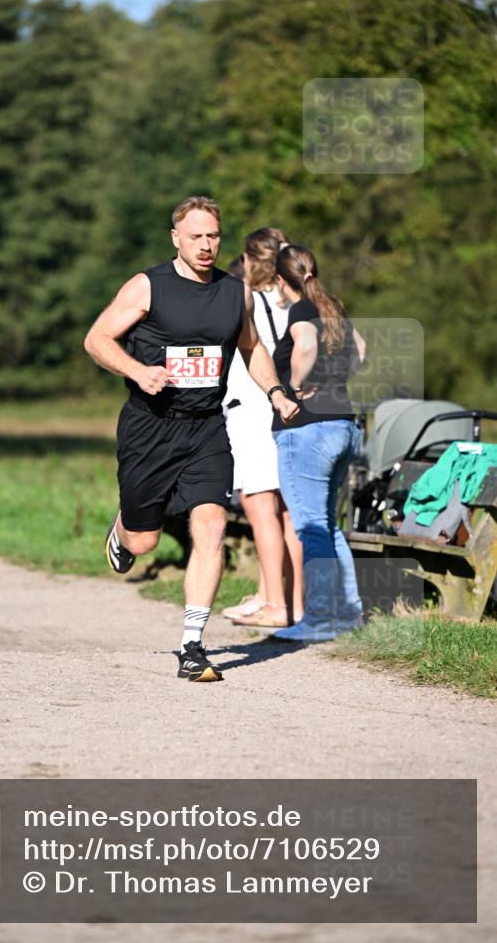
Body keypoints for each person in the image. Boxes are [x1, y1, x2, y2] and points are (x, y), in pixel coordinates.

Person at [83, 196, 299, 682]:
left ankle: (193, 646)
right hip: (150, 425)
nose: (206, 246)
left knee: (212, 526)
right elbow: (97, 340)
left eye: (213, 236)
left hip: (206, 427)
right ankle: (124, 529)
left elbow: (252, 347)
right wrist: (138, 371)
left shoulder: (234, 291)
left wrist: (276, 393)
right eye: (196, 236)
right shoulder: (147, 286)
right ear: (176, 238)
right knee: (144, 543)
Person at [269, 244, 366, 641]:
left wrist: (293, 386)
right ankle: (347, 615)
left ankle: (319, 621)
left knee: (310, 527)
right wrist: (335, 380)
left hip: (306, 430)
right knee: (328, 525)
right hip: (343, 423)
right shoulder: (334, 307)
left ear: (280, 280)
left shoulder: (302, 309)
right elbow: (361, 351)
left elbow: (305, 345)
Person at [221, 228, 304, 628]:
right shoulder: (299, 300)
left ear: (250, 259)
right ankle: (290, 602)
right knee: (289, 513)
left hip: (254, 408)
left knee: (260, 508)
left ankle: (275, 605)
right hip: (291, 407)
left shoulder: (245, 298)